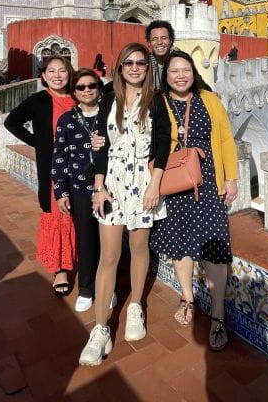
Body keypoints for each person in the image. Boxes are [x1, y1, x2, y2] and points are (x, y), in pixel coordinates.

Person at [78, 42, 171, 366]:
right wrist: (98, 188)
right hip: (112, 185)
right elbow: (101, 148)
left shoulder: (156, 100)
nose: (134, 68)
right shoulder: (108, 100)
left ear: (148, 68)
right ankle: (100, 328)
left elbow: (163, 144)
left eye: (140, 63)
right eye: (128, 63)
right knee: (109, 256)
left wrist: (155, 185)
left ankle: (134, 306)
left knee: (139, 247)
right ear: (119, 68)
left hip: (144, 184)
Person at [149, 50, 238, 352]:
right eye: (174, 70)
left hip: (209, 182)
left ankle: (218, 314)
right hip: (175, 182)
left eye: (185, 69)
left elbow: (225, 138)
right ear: (165, 76)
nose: (180, 75)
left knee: (214, 247)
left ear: (194, 72)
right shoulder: (158, 102)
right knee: (180, 242)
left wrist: (231, 178)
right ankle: (187, 297)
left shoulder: (209, 99)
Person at [4, 56, 77, 297]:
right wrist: (39, 143)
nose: (57, 75)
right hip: (54, 170)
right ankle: (60, 269)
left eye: (62, 70)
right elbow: (12, 122)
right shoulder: (39, 100)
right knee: (58, 214)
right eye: (51, 71)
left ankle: (80, 257)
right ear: (43, 76)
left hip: (80, 169)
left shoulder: (80, 96)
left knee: (80, 214)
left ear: (70, 73)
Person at [51, 69, 104, 312]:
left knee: (108, 241)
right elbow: (59, 157)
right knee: (85, 238)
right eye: (81, 87)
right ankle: (86, 288)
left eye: (91, 85)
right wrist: (60, 191)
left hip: (108, 187)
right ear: (74, 91)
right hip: (80, 189)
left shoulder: (109, 115)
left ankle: (107, 287)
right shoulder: (67, 120)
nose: (87, 90)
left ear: (98, 87)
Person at [145, 20, 175, 91]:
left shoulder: (181, 61)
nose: (159, 42)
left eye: (164, 38)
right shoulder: (144, 62)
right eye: (154, 39)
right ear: (149, 43)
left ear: (171, 41)